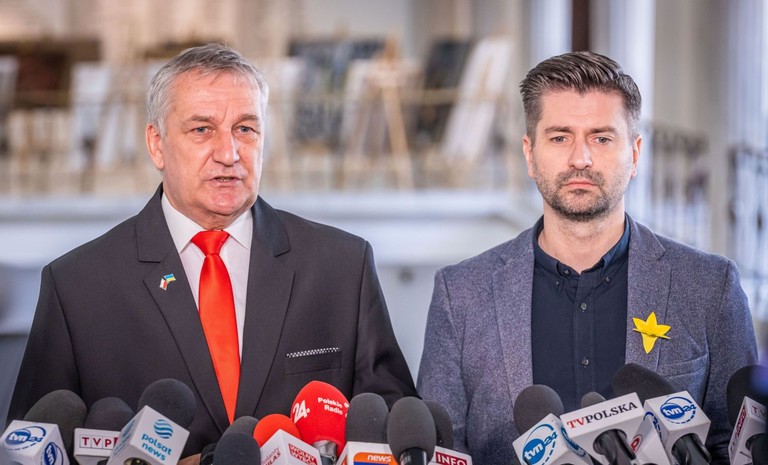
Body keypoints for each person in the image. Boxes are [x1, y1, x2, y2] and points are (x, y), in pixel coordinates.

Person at [7, 43, 416, 459]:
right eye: (202, 129)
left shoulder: (342, 267)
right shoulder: (76, 286)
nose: (229, 153)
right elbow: (31, 447)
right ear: (157, 145)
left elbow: (395, 426)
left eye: (245, 129)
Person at [417, 51, 757, 465]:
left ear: (635, 154)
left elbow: (738, 448)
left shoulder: (710, 288)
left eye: (601, 138)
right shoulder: (460, 296)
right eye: (560, 138)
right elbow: (443, 451)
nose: (581, 158)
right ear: (530, 153)